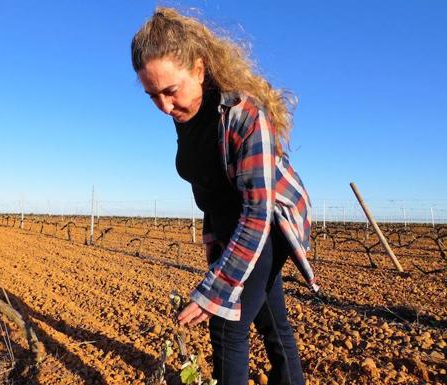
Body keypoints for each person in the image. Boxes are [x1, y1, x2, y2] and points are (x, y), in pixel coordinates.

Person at [131, 8, 319, 385]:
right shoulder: (183, 114)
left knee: (226, 324)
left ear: (199, 70)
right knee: (272, 320)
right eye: (153, 95)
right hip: (230, 221)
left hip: (265, 224)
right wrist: (212, 234)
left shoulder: (244, 114)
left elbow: (256, 213)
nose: (165, 106)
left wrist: (214, 290)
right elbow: (207, 177)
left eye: (171, 91)